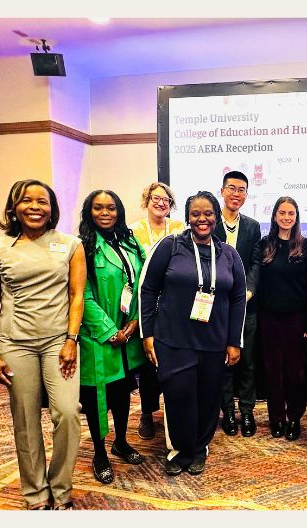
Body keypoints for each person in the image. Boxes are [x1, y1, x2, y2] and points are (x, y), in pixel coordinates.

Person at [0, 179, 85, 510]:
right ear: (14, 207)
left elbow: (76, 295)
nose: (35, 207)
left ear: (52, 208)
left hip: (59, 343)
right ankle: (36, 494)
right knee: (25, 421)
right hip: (15, 344)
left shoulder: (70, 245)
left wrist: (71, 339)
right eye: (27, 201)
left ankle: (61, 488)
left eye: (43, 201)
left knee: (67, 413)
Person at [139, 191, 247, 476]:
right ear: (187, 217)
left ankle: (200, 448)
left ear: (216, 217)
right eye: (196, 214)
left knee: (209, 398)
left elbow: (237, 299)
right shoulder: (170, 246)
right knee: (177, 396)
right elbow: (147, 289)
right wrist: (146, 332)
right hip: (173, 340)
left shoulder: (229, 254)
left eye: (208, 213)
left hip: (214, 341)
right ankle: (178, 450)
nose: (203, 219)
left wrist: (234, 341)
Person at [77, 190, 148, 485]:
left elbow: (142, 282)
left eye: (110, 208)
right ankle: (99, 453)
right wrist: (109, 331)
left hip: (128, 335)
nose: (105, 213)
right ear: (89, 212)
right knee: (96, 399)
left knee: (122, 394)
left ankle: (121, 441)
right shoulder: (83, 247)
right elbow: (82, 294)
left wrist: (134, 321)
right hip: (99, 337)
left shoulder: (130, 242)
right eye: (98, 208)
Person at [246, 197, 307, 440]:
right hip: (269, 318)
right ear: (275, 216)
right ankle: (277, 418)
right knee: (272, 370)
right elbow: (256, 276)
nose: (287, 217)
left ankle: (295, 417)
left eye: (291, 213)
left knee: (295, 372)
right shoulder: (265, 245)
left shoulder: (306, 246)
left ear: (296, 217)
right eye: (282, 213)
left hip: (297, 319)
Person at [128, 182, 186, 439]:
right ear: (147, 200)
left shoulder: (179, 228)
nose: (161, 203)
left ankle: (174, 412)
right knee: (148, 362)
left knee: (175, 360)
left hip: (175, 303)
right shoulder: (134, 230)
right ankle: (147, 413)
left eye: (166, 200)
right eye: (156, 198)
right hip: (147, 301)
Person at [213, 171, 261, 437]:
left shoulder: (253, 227)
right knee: (223, 360)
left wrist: (249, 291)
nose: (236, 194)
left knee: (247, 360)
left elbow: (256, 262)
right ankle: (228, 412)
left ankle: (247, 410)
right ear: (222, 191)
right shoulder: (209, 222)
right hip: (217, 307)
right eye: (231, 188)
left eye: (241, 190)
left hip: (247, 306)